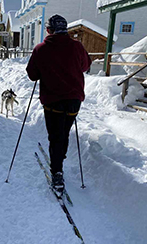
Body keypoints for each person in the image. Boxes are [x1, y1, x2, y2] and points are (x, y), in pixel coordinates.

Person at [26, 14, 91, 193]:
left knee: (55, 136)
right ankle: (59, 159)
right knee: (64, 131)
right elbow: (85, 65)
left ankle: (57, 172)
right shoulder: (77, 46)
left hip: (52, 101)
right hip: (74, 100)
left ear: (48, 30)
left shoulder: (41, 49)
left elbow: (32, 74)